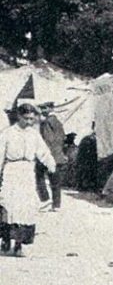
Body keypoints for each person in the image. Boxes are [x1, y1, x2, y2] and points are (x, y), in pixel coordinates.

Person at [0, 104, 57, 256]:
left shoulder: (34, 134)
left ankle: (19, 245)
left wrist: (50, 163)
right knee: (9, 206)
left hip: (27, 172)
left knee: (25, 208)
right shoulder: (8, 133)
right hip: (12, 171)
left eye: (32, 119)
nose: (29, 122)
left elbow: (43, 151)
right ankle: (5, 240)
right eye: (26, 118)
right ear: (19, 116)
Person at [35, 102, 67, 212]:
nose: (42, 110)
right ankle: (56, 205)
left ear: (50, 108)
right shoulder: (58, 122)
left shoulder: (47, 122)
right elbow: (62, 138)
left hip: (48, 155)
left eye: (44, 108)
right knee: (55, 181)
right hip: (58, 155)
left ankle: (45, 200)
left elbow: (47, 140)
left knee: (38, 177)